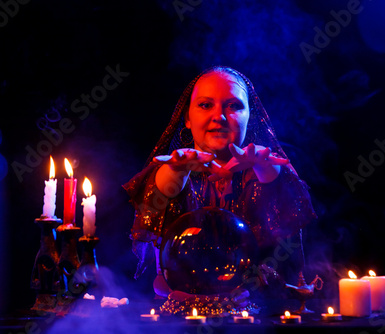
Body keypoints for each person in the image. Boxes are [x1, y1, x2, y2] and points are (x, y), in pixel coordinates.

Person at [124, 66, 316, 297]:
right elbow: (160, 190)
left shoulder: (265, 173)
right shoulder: (171, 172)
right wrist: (178, 168)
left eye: (234, 106)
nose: (219, 116)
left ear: (250, 117)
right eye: (205, 105)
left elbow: (279, 186)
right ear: (187, 117)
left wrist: (265, 166)